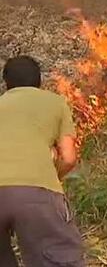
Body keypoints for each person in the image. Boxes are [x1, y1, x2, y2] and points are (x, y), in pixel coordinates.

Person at [0, 55, 85, 266]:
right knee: (57, 257)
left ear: (6, 83)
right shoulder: (55, 102)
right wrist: (51, 179)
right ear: (39, 81)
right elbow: (68, 157)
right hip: (36, 193)